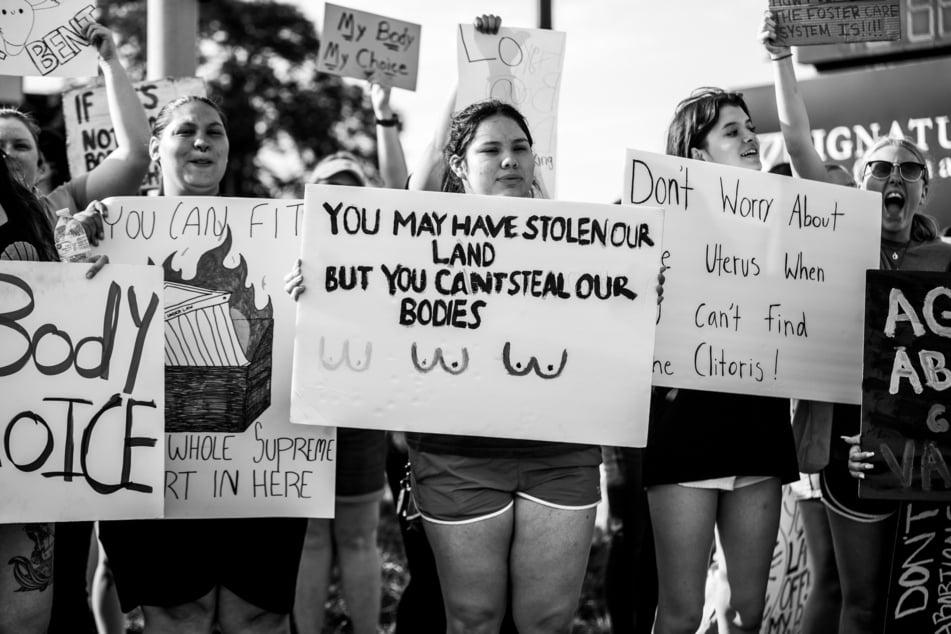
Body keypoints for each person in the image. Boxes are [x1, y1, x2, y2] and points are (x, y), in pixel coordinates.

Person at [761, 12, 951, 632]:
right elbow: (797, 146)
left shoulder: (947, 259)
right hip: (855, 451)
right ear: (860, 186)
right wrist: (781, 59)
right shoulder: (838, 240)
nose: (894, 177)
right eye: (879, 169)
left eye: (909, 169)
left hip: (935, 456)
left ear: (925, 189)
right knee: (862, 604)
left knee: (927, 611)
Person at [96, 95, 307, 634]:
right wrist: (82, 258)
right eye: (186, 131)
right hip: (151, 465)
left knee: (255, 617)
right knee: (177, 615)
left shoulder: (280, 234)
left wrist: (313, 288)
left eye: (214, 131)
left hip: (260, 468)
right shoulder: (106, 229)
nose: (202, 141)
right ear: (156, 146)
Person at [406, 96, 602, 633]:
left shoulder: (587, 243)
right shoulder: (419, 239)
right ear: (460, 167)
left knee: (548, 621)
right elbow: (411, 196)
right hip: (455, 456)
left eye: (520, 148)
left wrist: (639, 297)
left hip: (561, 453)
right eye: (490, 149)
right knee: (473, 619)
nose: (510, 159)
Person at [644, 87, 799, 634]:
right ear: (698, 156)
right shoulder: (652, 226)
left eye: (750, 127)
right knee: (682, 612)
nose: (750, 137)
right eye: (732, 131)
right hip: (684, 426)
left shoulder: (791, 223)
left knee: (745, 613)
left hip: (757, 425)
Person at [0, 149, 107, 633]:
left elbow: (66, 302)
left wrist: (89, 277)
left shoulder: (28, 206)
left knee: (26, 618)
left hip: (24, 441)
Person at [292, 151, 394, 634]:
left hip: (361, 412)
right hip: (302, 410)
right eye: (330, 186)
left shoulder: (391, 258)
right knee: (311, 537)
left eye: (352, 186)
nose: (341, 195)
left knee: (358, 538)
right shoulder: (285, 248)